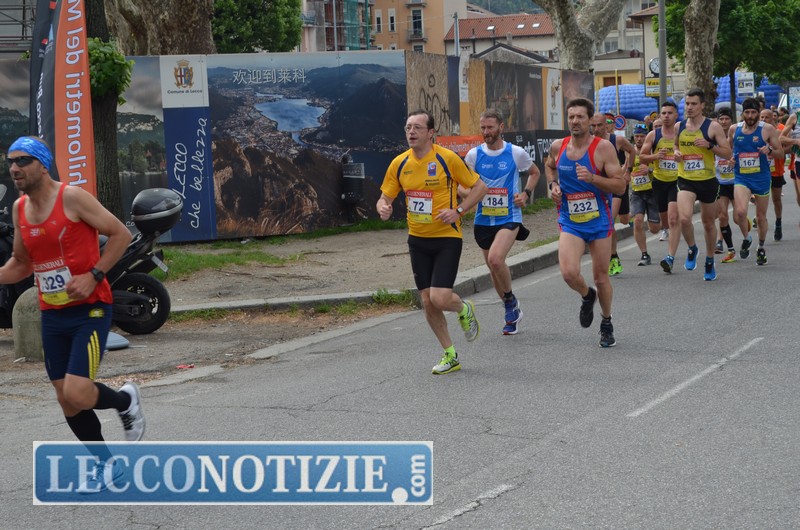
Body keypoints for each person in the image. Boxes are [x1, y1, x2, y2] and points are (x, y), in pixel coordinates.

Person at [0, 136, 143, 493]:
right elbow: (21, 264)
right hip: (53, 314)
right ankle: (107, 466)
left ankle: (125, 401)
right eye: (10, 161)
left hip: (90, 309)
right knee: (66, 398)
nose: (14, 168)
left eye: (22, 160)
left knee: (77, 392)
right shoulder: (19, 209)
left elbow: (121, 234)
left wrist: (94, 274)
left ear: (42, 164)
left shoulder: (72, 198)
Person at [377, 110, 488, 375]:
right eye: (408, 127)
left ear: (430, 133)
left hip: (446, 237)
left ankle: (463, 308)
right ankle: (450, 354)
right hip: (417, 240)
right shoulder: (399, 163)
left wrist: (458, 211)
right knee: (427, 301)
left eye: (417, 127)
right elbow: (385, 198)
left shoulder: (446, 158)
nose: (411, 132)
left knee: (439, 297)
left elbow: (480, 188)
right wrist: (383, 207)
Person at [545, 98, 627, 348]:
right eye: (571, 117)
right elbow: (549, 167)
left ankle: (606, 321)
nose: (575, 121)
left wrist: (593, 178)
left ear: (590, 120)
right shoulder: (558, 146)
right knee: (569, 273)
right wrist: (553, 186)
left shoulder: (603, 148)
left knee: (601, 278)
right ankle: (587, 294)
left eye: (580, 116)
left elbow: (620, 186)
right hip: (570, 220)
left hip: (599, 221)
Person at [464, 109, 539, 335]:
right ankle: (511, 310)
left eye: (490, 127)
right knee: (493, 268)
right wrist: (471, 194)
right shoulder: (473, 155)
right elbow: (463, 186)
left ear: (501, 127)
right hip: (483, 219)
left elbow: (535, 173)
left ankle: (509, 301)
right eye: (483, 128)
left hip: (509, 216)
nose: (486, 132)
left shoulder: (515, 152)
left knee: (496, 260)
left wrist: (525, 194)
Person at [672, 88, 732, 281]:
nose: (689, 107)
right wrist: (676, 153)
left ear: (702, 105)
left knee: (708, 223)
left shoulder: (712, 127)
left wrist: (710, 146)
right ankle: (692, 248)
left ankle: (709, 259)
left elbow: (727, 153)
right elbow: (675, 145)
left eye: (693, 104)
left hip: (707, 181)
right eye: (687, 103)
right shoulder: (679, 126)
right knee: (684, 219)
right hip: (686, 179)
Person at [729, 98, 783, 265]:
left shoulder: (767, 129)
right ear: (743, 114)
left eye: (753, 112)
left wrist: (770, 150)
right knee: (740, 213)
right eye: (747, 112)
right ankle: (747, 238)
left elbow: (781, 153)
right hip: (742, 177)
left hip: (761, 178)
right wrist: (731, 160)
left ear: (759, 113)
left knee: (760, 217)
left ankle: (761, 247)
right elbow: (730, 150)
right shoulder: (734, 129)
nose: (750, 116)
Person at [590, 113, 634, 276]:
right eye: (593, 126)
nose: (597, 129)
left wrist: (628, 171)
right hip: (600, 189)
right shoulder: (588, 142)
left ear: (606, 125)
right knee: (611, 221)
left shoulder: (617, 140)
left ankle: (632, 216)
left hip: (616, 186)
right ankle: (613, 257)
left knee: (618, 220)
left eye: (600, 125)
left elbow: (632, 151)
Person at [639, 101, 681, 269]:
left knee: (673, 218)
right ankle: (672, 233)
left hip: (678, 181)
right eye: (663, 113)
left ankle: (670, 257)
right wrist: (655, 156)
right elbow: (642, 157)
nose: (666, 116)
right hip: (659, 181)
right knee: (665, 221)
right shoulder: (653, 135)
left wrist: (680, 157)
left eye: (670, 113)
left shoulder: (682, 134)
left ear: (676, 115)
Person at [629, 123, 661, 265]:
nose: (639, 139)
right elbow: (626, 167)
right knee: (637, 221)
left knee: (654, 229)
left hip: (653, 191)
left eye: (642, 136)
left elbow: (661, 170)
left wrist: (649, 170)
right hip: (637, 192)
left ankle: (662, 222)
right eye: (637, 136)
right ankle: (644, 254)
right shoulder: (630, 151)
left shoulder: (652, 151)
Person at [713, 107, 738, 263]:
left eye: (726, 119)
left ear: (731, 120)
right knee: (722, 215)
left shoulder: (737, 136)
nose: (723, 122)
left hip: (737, 181)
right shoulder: (713, 137)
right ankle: (721, 242)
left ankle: (744, 223)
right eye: (721, 119)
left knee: (738, 217)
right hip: (720, 181)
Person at [761, 108, 786, 241]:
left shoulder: (779, 132)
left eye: (767, 117)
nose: (764, 120)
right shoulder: (757, 131)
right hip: (760, 171)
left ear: (773, 118)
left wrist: (773, 151)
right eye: (762, 117)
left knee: (776, 199)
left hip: (776, 170)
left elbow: (785, 150)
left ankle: (778, 222)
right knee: (761, 200)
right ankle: (762, 222)